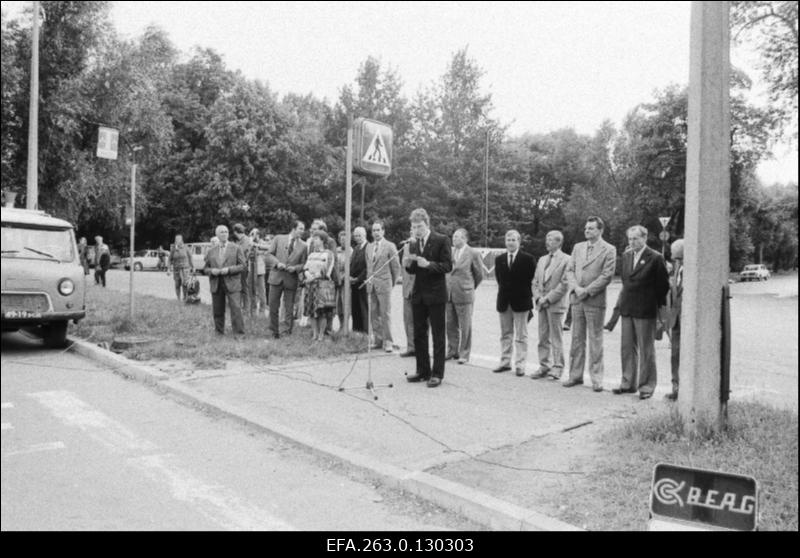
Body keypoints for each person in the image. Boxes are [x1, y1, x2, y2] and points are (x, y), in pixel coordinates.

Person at [612, 225, 670, 400]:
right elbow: (625, 281)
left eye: (636, 238)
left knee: (646, 350)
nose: (632, 242)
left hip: (645, 309)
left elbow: (663, 286)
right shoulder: (627, 255)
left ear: (644, 238)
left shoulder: (655, 258)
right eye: (630, 239)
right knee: (627, 348)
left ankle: (646, 386)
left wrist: (659, 310)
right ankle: (627, 382)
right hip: (628, 308)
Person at [564, 216, 617, 392]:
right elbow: (570, 270)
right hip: (577, 299)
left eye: (591, 228)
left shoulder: (609, 249)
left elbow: (607, 275)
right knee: (577, 339)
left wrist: (587, 290)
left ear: (600, 230)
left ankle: (596, 378)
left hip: (594, 300)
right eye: (586, 228)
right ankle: (575, 375)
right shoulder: (577, 248)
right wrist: (576, 288)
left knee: (595, 340)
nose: (587, 231)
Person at [404, 208, 453, 388]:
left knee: (438, 335)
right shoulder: (414, 243)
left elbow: (448, 266)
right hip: (419, 294)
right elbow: (413, 270)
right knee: (419, 334)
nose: (417, 230)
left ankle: (437, 374)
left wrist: (429, 264)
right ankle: (422, 370)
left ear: (427, 224)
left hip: (436, 294)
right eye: (414, 227)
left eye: (420, 226)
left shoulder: (441, 240)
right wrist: (409, 264)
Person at [492, 230, 537, 377]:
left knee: (521, 335)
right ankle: (505, 362)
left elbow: (532, 280)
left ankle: (520, 365)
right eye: (508, 240)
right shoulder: (499, 259)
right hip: (504, 302)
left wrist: (529, 298)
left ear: (519, 242)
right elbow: (500, 280)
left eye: (513, 240)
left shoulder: (528, 259)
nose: (510, 242)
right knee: (505, 334)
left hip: (521, 302)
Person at [531, 230, 570, 380]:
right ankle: (544, 365)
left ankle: (558, 367)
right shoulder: (542, 259)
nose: (547, 242)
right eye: (546, 239)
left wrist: (547, 298)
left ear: (559, 242)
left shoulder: (566, 259)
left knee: (556, 337)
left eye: (551, 239)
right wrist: (538, 298)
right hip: (541, 303)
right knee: (542, 336)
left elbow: (564, 284)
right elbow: (534, 281)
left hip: (555, 304)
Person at [445, 228, 484, 365]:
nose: (454, 239)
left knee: (465, 325)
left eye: (457, 237)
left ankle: (464, 353)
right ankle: (452, 350)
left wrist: (470, 288)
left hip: (464, 294)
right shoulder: (450, 251)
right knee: (450, 324)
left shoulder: (473, 253)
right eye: (453, 236)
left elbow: (479, 274)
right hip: (449, 294)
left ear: (465, 239)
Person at [266, 220, 307, 338]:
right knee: (273, 306)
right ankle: (274, 331)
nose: (302, 231)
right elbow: (268, 255)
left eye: (303, 229)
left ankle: (286, 332)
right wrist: (277, 263)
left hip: (291, 279)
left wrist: (295, 268)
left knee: (289, 307)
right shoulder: (279, 238)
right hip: (276, 277)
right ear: (293, 229)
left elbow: (304, 263)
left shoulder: (304, 246)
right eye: (301, 228)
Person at [365, 220, 401, 352]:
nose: (376, 233)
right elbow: (369, 266)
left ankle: (388, 342)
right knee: (373, 314)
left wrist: (391, 283)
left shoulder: (390, 246)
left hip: (384, 284)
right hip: (371, 285)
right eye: (373, 230)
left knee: (385, 314)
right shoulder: (369, 247)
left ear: (383, 231)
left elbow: (396, 267)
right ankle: (378, 340)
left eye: (378, 230)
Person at [204, 225, 246, 335]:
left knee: (236, 309)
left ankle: (239, 334)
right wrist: (212, 271)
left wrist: (229, 270)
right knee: (217, 310)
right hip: (216, 283)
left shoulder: (236, 248)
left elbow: (242, 266)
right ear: (217, 235)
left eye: (226, 231)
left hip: (232, 283)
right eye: (221, 232)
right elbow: (205, 268)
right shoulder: (211, 251)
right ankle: (219, 332)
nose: (224, 234)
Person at [303, 232, 336, 341]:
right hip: (310, 286)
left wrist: (314, 277)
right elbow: (306, 268)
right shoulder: (311, 254)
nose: (314, 241)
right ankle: (314, 334)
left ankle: (321, 334)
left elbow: (327, 270)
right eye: (313, 239)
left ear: (322, 240)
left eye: (316, 239)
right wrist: (308, 275)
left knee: (322, 312)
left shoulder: (328, 254)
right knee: (311, 311)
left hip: (322, 286)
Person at [665, 238, 684, 401]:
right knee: (675, 354)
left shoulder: (691, 269)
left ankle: (684, 389)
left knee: (684, 355)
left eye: (673, 251)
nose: (671, 254)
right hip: (676, 319)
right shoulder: (676, 268)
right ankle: (675, 387)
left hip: (686, 319)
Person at [399, 233, 417, 358]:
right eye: (411, 231)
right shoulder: (405, 247)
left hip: (419, 289)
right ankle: (411, 347)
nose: (412, 234)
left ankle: (421, 348)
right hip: (407, 289)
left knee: (421, 322)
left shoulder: (424, 246)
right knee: (408, 320)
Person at [349, 226, 369, 333]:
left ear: (364, 235)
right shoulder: (356, 248)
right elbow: (352, 264)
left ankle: (365, 332)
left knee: (364, 308)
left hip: (363, 283)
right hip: (354, 283)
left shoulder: (368, 247)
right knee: (355, 308)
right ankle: (356, 331)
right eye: (355, 236)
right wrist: (350, 276)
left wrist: (358, 279)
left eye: (359, 235)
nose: (357, 238)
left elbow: (368, 267)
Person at [247, 228, 268, 317]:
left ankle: (263, 309)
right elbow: (247, 254)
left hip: (259, 270)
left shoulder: (262, 242)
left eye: (255, 234)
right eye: (252, 234)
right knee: (251, 290)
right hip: (251, 270)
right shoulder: (249, 242)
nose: (254, 236)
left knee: (261, 291)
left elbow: (267, 248)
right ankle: (253, 308)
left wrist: (256, 245)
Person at [232, 223, 252, 315]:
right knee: (239, 287)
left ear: (236, 232)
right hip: (239, 266)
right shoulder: (240, 240)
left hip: (243, 266)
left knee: (244, 288)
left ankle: (246, 309)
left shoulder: (246, 240)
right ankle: (239, 307)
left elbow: (241, 252)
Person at [168, 234, 194, 301]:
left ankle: (185, 297)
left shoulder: (186, 248)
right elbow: (169, 259)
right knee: (177, 284)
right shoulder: (173, 249)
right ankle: (178, 298)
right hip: (176, 269)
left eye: (178, 239)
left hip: (185, 269)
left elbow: (190, 257)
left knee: (184, 284)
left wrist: (193, 266)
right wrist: (168, 269)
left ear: (181, 240)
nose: (176, 241)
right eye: (175, 239)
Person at [335, 230, 349, 331]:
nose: (343, 241)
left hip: (345, 282)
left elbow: (351, 267)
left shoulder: (351, 251)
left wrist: (343, 277)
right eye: (341, 239)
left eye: (345, 240)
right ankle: (340, 325)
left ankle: (345, 326)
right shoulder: (336, 250)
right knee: (337, 304)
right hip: (336, 281)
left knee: (345, 304)